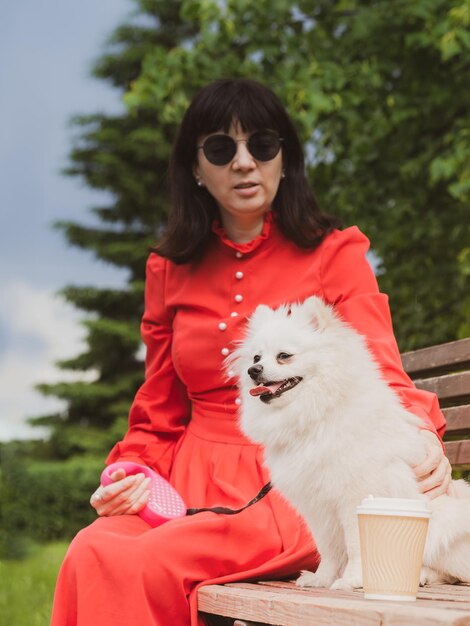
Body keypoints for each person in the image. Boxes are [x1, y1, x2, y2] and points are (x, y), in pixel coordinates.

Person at [50, 78, 451, 626]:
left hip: (293, 482)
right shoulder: (168, 269)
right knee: (93, 549)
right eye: (221, 148)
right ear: (195, 167)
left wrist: (421, 433)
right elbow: (159, 405)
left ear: (284, 159)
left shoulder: (335, 253)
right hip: (184, 481)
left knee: (148, 561)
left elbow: (377, 363)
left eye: (261, 145)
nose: (243, 163)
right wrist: (128, 473)